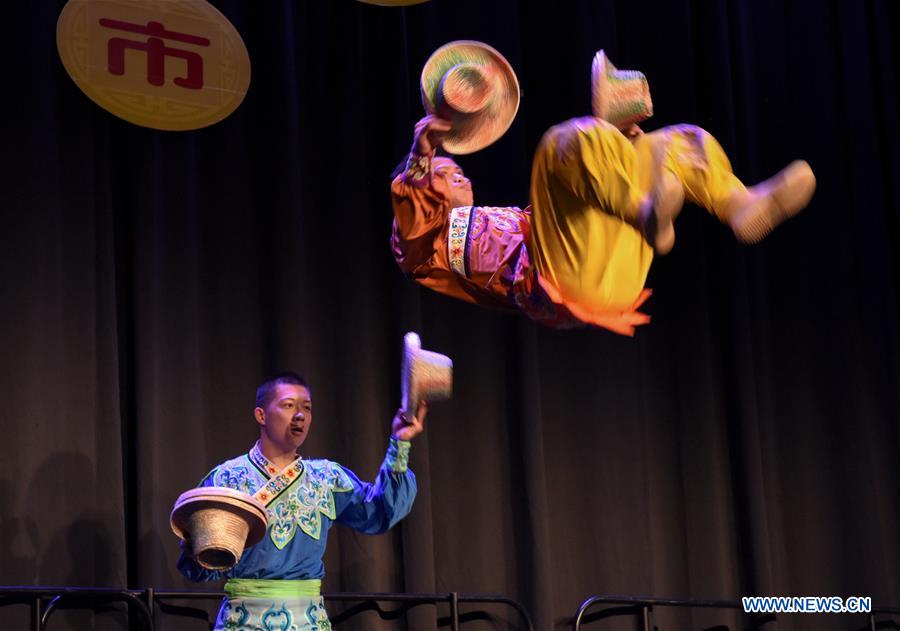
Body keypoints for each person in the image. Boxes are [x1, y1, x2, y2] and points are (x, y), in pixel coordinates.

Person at [390, 114, 815, 336]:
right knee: (559, 144)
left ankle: (737, 203)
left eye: (459, 169)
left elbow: (577, 209)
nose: (459, 175)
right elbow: (411, 225)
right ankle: (641, 207)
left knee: (669, 142)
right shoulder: (427, 250)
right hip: (557, 284)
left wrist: (624, 151)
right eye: (447, 173)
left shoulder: (511, 220)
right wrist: (422, 154)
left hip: (614, 283)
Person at [177, 372, 426, 631]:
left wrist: (400, 443)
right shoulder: (226, 478)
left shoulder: (327, 478)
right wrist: (197, 548)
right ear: (261, 415)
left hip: (307, 622)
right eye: (288, 406)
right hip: (240, 622)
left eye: (306, 408)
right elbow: (202, 566)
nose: (300, 415)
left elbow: (379, 512)